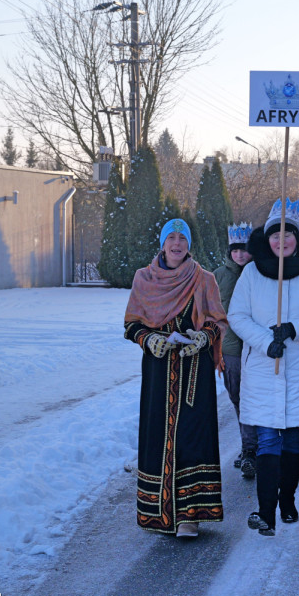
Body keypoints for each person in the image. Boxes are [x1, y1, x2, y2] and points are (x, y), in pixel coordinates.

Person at [227, 199, 299, 536]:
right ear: (267, 238)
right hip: (263, 370)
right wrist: (265, 341)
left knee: (292, 442)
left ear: (298, 237)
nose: (281, 240)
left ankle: (287, 499)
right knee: (266, 441)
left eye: (287, 234)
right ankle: (265, 512)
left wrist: (294, 329)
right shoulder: (251, 272)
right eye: (274, 234)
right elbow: (237, 316)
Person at [123, 218, 227, 538]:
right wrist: (149, 340)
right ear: (163, 243)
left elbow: (216, 322)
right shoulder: (144, 278)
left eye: (183, 238)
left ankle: (190, 516)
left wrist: (202, 339)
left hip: (194, 372)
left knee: (192, 437)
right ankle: (157, 511)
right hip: (158, 371)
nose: (177, 244)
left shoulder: (204, 279)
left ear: (189, 245)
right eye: (172, 237)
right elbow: (131, 325)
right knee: (158, 436)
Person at [214, 222, 258, 479]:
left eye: (244, 250)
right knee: (238, 397)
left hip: (257, 346)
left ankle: (254, 448)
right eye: (235, 250)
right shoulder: (219, 275)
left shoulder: (259, 272)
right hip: (230, 347)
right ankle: (247, 447)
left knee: (256, 399)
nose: (240, 255)